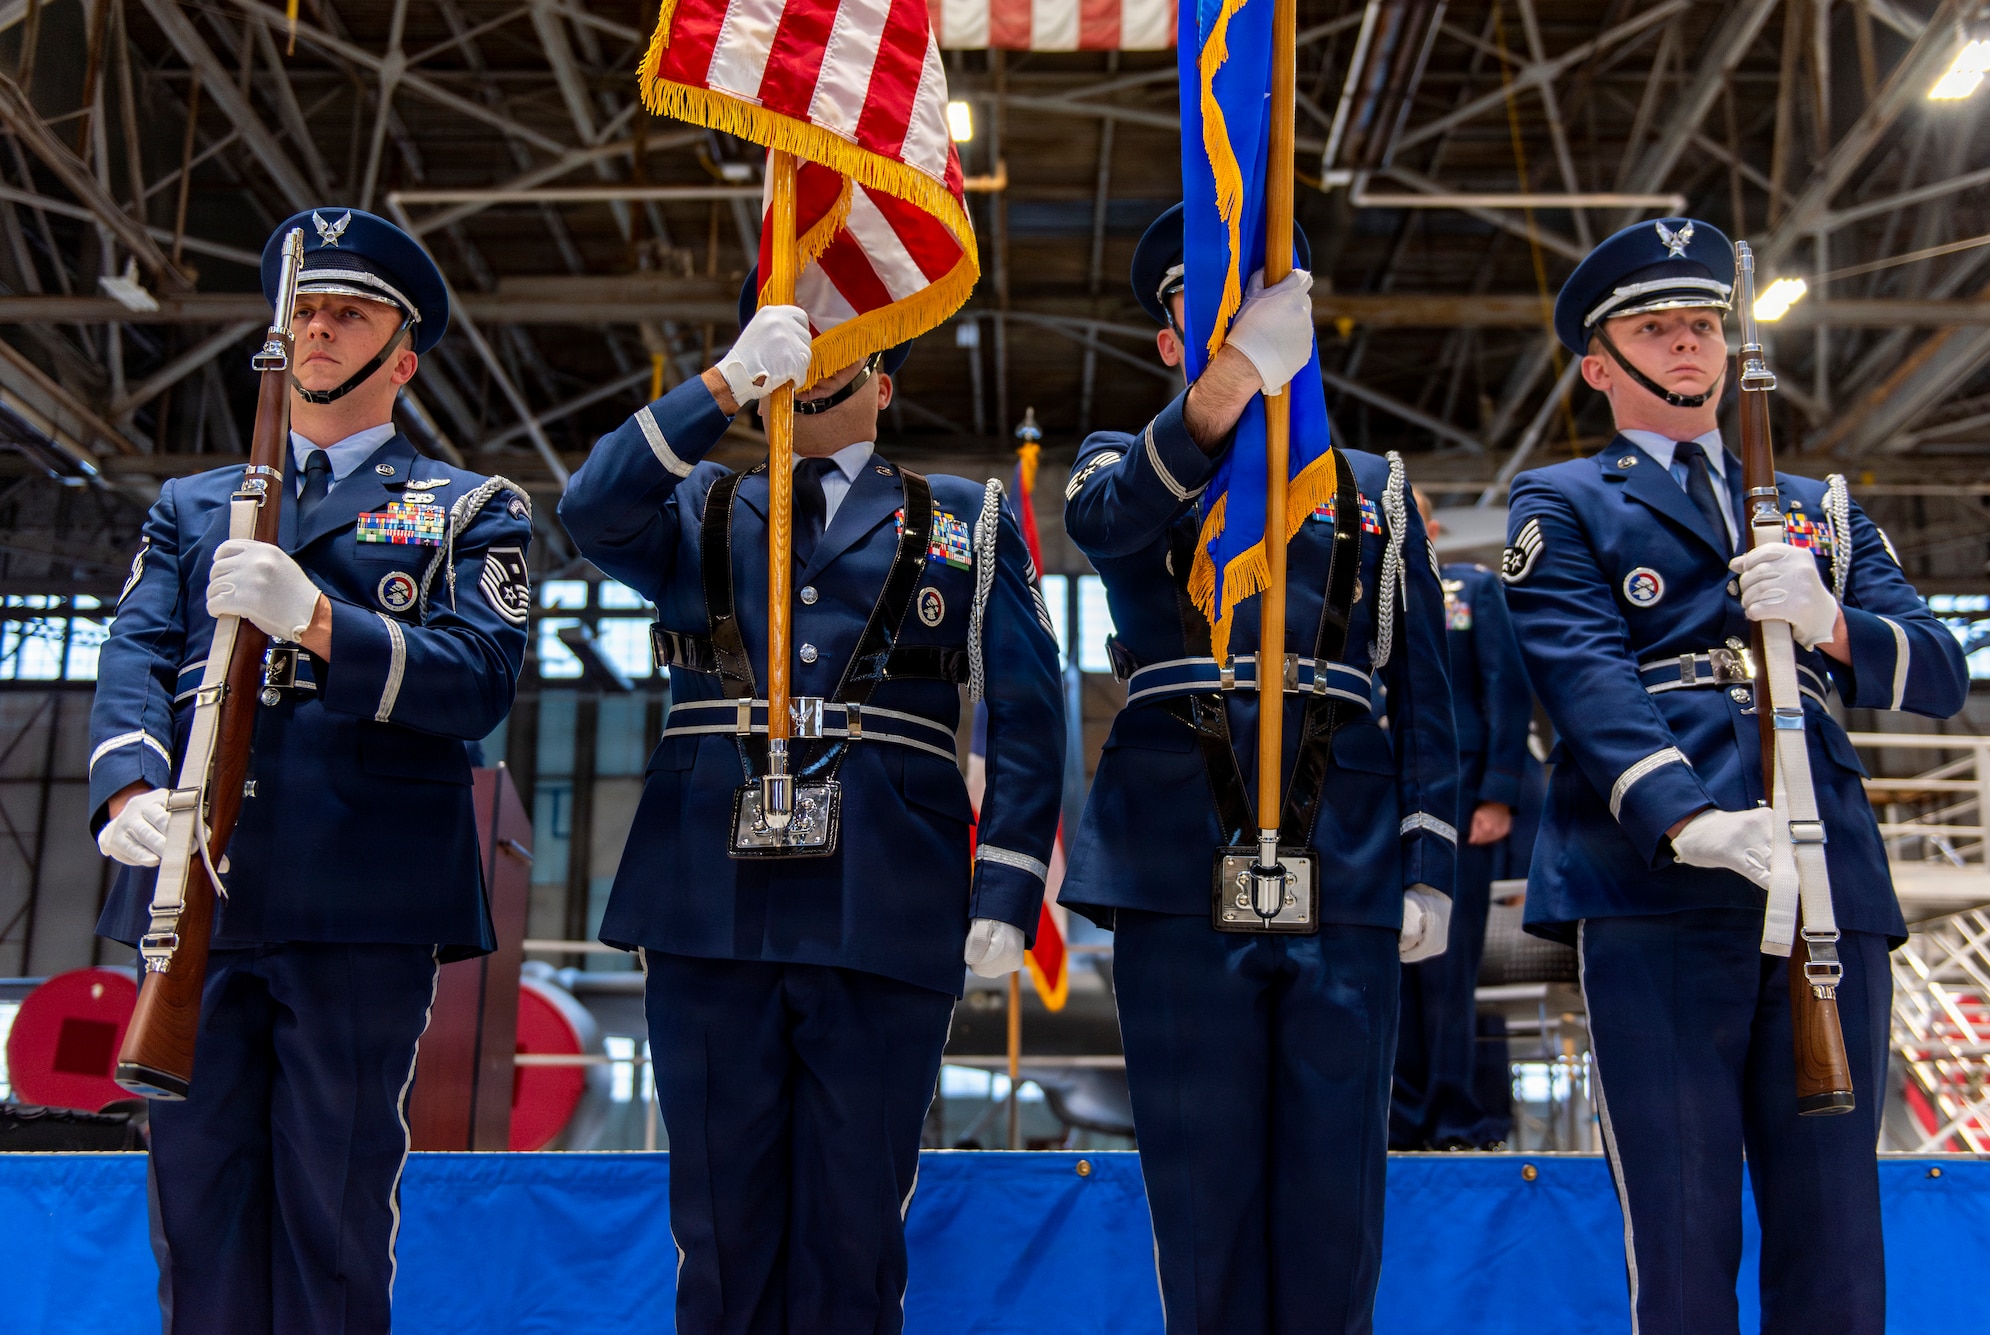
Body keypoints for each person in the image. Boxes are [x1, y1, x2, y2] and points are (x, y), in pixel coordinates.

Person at [557, 280, 1064, 1334]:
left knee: (854, 1231)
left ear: (883, 382)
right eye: (799, 333)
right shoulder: (698, 503)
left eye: (850, 340)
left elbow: (1024, 704)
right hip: (706, 901)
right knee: (719, 1225)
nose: (818, 353)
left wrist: (1009, 884)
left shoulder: (964, 518)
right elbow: (588, 507)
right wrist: (720, 383)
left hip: (883, 902)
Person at [1501, 217, 1969, 1333]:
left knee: (1835, 1237)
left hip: (1825, 883)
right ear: (1596, 363)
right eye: (1653, 329)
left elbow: (1942, 672)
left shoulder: (1820, 508)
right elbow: (1583, 678)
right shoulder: (1562, 500)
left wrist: (1832, 623)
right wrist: (1689, 821)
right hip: (1655, 886)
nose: (1686, 348)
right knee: (1677, 1227)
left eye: (1702, 326)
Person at [88, 208, 534, 1335]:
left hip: (359, 895)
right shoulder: (193, 507)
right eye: (306, 310)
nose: (320, 329)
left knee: (331, 1213)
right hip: (195, 892)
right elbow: (137, 650)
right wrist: (129, 788)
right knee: (195, 1212)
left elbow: (478, 681)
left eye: (350, 313)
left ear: (404, 355)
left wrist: (324, 623)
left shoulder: (469, 510)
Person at [1059, 204, 1459, 1335]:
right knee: (1201, 1190)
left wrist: (1428, 861)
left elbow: (1424, 686)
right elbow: (1110, 525)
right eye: (1208, 306)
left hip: (1351, 853)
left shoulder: (1373, 486)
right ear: (1168, 340)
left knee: (1338, 1195)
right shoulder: (1118, 463)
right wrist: (1232, 384)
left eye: (1256, 300)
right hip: (1174, 856)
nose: (1233, 320)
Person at [1390, 487, 1532, 1151]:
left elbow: (1507, 687)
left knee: (1452, 959)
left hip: (1461, 798)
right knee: (1391, 960)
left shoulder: (1469, 588)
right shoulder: (1361, 595)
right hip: (1382, 800)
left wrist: (1498, 792)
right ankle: (1401, 1114)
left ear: (1432, 524)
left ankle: (1458, 1112)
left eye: (1407, 511)